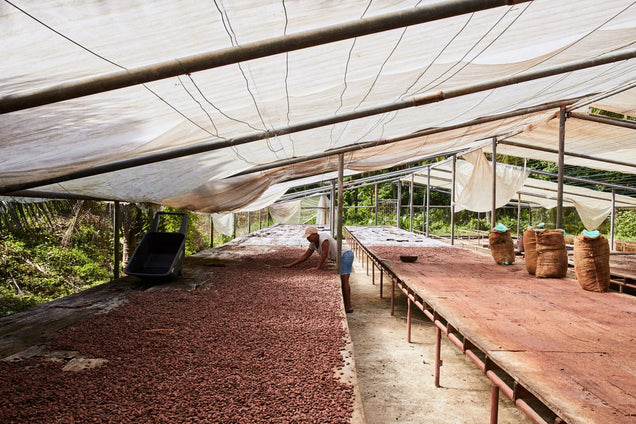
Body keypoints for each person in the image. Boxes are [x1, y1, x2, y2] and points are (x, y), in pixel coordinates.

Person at [283, 226, 354, 313]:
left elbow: (324, 252)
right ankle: (345, 303)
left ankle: (349, 307)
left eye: (309, 237)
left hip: (345, 255)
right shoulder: (313, 244)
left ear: (315, 234)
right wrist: (291, 264)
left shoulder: (323, 237)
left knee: (344, 280)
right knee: (342, 280)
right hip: (339, 258)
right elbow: (305, 256)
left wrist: (317, 268)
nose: (308, 239)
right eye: (307, 237)